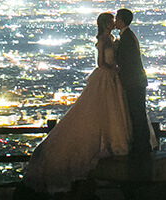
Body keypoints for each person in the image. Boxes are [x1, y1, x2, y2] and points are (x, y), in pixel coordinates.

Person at [20, 12, 131, 194]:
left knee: (113, 112)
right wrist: (113, 69)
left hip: (113, 78)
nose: (113, 24)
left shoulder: (111, 38)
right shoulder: (103, 40)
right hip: (106, 77)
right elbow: (100, 63)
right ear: (104, 24)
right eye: (110, 21)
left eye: (113, 21)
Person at [114, 7, 156, 155]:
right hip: (136, 81)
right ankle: (141, 144)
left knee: (137, 113)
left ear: (121, 20)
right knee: (137, 113)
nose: (115, 21)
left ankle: (142, 146)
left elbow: (127, 62)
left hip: (133, 82)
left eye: (117, 18)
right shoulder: (128, 36)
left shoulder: (127, 38)